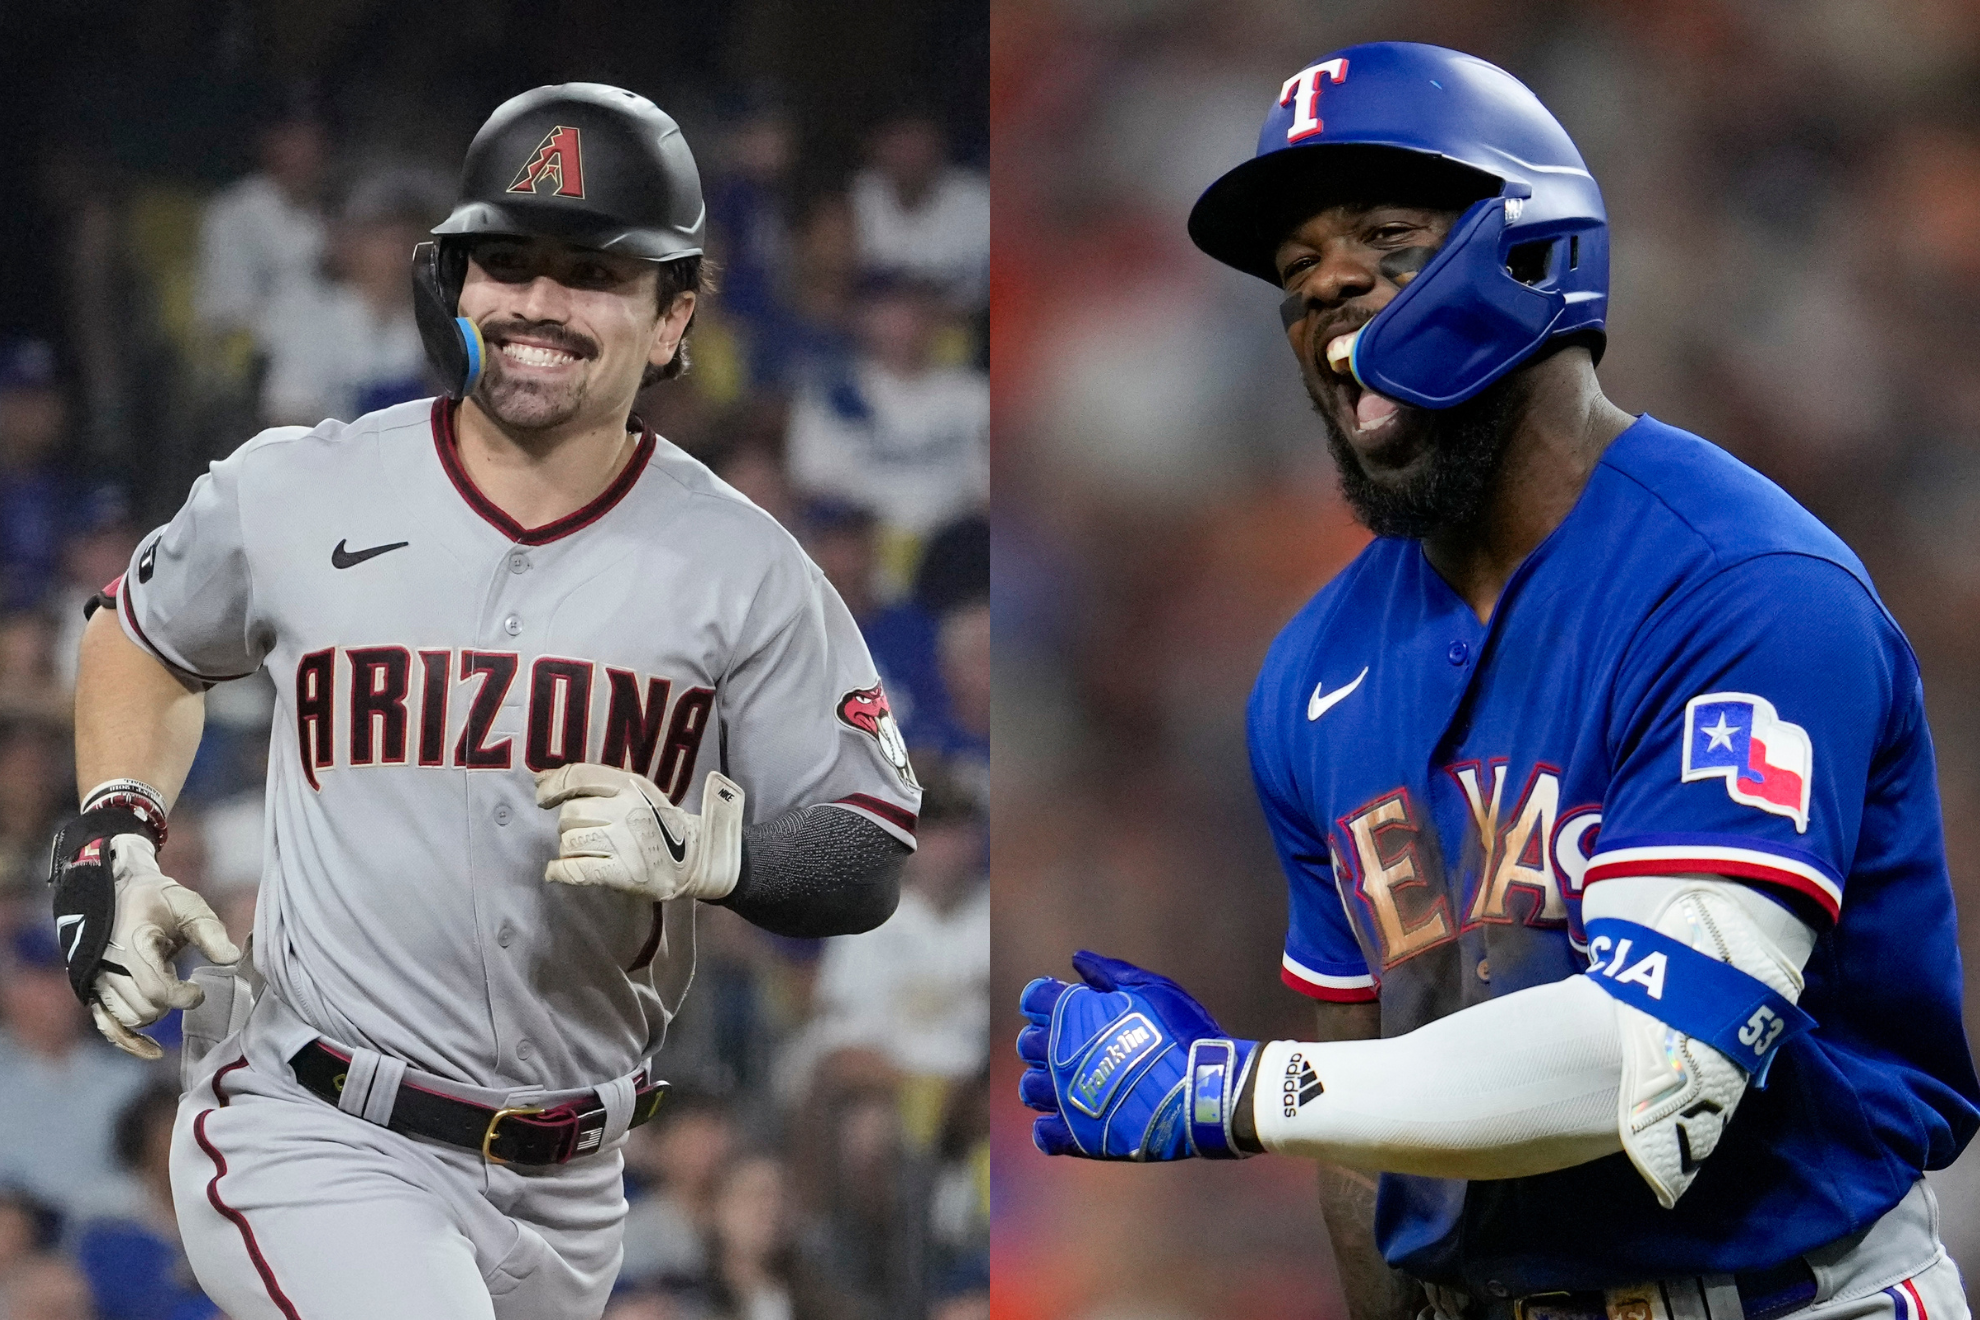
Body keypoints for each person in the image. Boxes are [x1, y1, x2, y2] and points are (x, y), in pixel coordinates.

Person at [1016, 41, 1980, 1320]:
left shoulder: (1745, 584)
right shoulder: (1312, 675)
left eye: (1386, 236)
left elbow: (1654, 1068)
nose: (1329, 291)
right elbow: (1369, 1118)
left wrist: (1228, 1094)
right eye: (1297, 273)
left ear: (1535, 255)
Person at [52, 83, 921, 1320]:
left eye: (592, 274)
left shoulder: (746, 567)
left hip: (574, 1186)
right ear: (447, 286)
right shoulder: (299, 489)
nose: (538, 306)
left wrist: (715, 853)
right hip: (315, 1127)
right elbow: (140, 639)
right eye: (504, 262)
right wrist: (115, 835)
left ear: (675, 319)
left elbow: (869, 848)